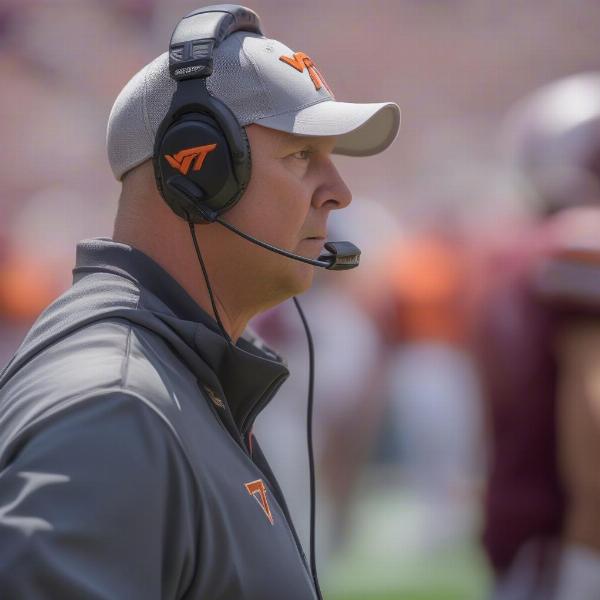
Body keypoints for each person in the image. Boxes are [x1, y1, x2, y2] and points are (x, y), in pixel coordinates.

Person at [0, 5, 400, 600]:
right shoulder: (115, 404)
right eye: (300, 157)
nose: (339, 193)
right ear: (197, 169)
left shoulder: (177, 372)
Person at [473, 72, 600, 600]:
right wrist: (587, 550)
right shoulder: (578, 248)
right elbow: (594, 415)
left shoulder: (520, 251)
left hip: (525, 530)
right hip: (566, 539)